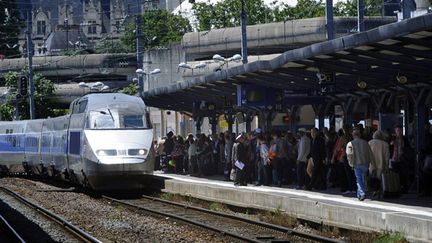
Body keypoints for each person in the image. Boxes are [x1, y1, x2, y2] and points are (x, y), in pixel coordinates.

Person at [346, 128, 375, 201]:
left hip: (356, 163)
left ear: (353, 135)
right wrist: (372, 163)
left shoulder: (350, 143)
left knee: (359, 179)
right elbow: (370, 153)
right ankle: (359, 194)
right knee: (363, 179)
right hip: (365, 163)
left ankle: (362, 193)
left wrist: (351, 163)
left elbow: (349, 154)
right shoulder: (365, 143)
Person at [390, 124, 414, 193]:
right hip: (394, 159)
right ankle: (396, 188)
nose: (399, 132)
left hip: (403, 159)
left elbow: (409, 148)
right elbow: (389, 146)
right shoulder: (393, 138)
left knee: (403, 174)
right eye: (397, 130)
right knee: (395, 174)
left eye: (400, 130)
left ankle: (404, 188)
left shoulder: (405, 139)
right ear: (395, 131)